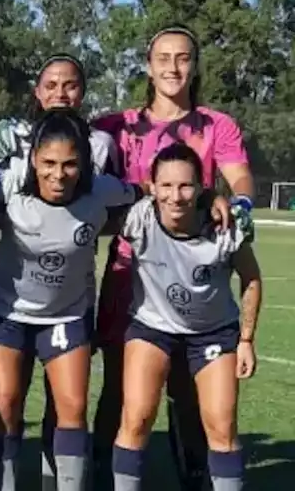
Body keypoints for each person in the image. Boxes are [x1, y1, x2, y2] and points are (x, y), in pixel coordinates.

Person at [91, 26, 256, 489]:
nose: (172, 67)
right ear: (148, 65)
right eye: (163, 58)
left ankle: (196, 473)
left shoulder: (215, 125)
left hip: (192, 271)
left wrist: (235, 204)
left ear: (195, 65)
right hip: (129, 270)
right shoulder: (116, 126)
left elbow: (240, 179)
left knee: (190, 388)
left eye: (183, 58)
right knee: (121, 384)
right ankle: (105, 472)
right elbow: (67, 153)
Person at [0, 109, 141, 491]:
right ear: (33, 158)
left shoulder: (102, 189)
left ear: (83, 163)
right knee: (6, 407)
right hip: (6, 312)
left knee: (72, 410)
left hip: (67, 315)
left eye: (69, 164)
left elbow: (150, 192)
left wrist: (211, 199)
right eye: (48, 163)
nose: (58, 173)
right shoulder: (8, 181)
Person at [111, 143, 261, 491]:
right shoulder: (138, 218)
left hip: (213, 333)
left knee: (222, 428)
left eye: (185, 186)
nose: (175, 196)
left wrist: (247, 340)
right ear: (152, 187)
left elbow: (251, 279)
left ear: (200, 188)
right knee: (136, 419)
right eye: (166, 185)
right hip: (153, 328)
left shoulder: (226, 229)